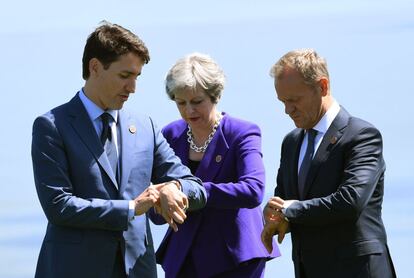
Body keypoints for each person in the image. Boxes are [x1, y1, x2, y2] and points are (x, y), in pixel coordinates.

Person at [31, 22, 207, 278]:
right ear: (95, 68)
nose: (133, 88)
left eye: (136, 77)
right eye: (125, 76)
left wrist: (174, 188)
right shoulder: (52, 126)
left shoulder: (145, 126)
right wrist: (131, 208)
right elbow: (58, 206)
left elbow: (195, 187)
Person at [261, 49, 396, 278]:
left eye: (294, 100)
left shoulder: (362, 135)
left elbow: (350, 202)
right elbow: (285, 201)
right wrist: (277, 217)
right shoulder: (291, 142)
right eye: (283, 101)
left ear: (322, 87)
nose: (287, 110)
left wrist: (289, 210)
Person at [153, 53, 280, 278]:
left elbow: (253, 190)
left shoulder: (241, 132)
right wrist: (159, 200)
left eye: (197, 101)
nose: (189, 110)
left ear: (215, 96)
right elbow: (158, 205)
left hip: (235, 258)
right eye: (180, 102)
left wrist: (190, 192)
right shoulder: (170, 134)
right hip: (185, 257)